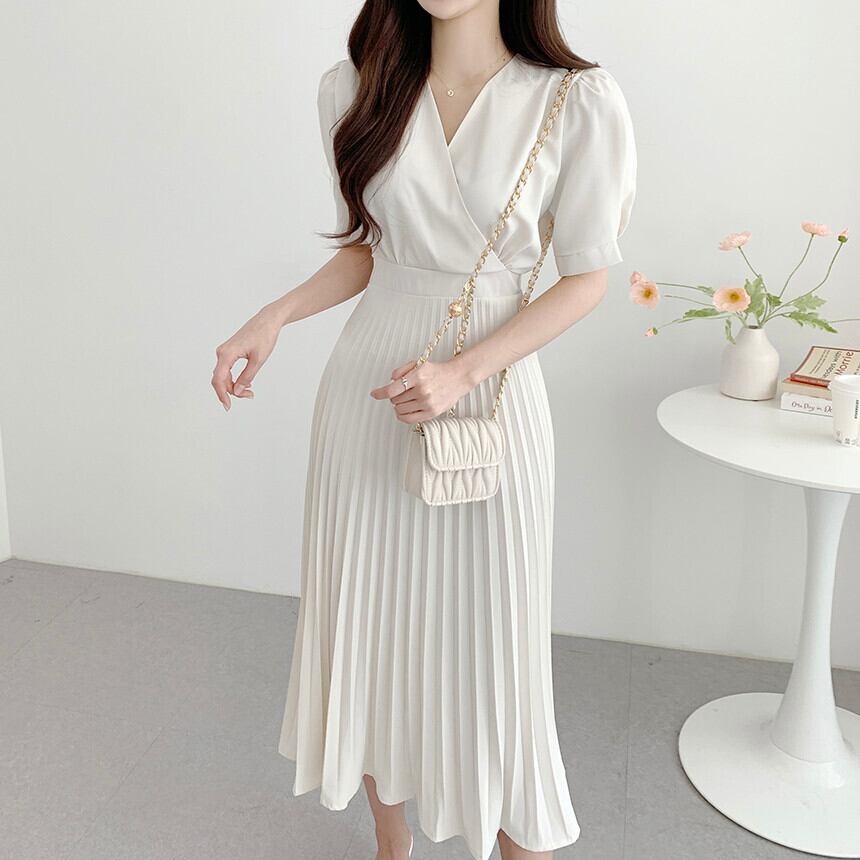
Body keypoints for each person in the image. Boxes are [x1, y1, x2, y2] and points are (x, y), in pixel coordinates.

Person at [211, 1, 636, 857]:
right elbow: (370, 250)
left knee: (495, 655)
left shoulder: (575, 99)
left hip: (489, 396)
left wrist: (463, 373)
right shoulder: (353, 88)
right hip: (370, 392)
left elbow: (587, 279)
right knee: (373, 634)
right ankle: (391, 845)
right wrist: (274, 315)